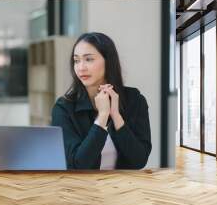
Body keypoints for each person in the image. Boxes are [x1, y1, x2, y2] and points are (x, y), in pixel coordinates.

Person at [51, 32, 152, 170]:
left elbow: (139, 160)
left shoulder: (135, 100)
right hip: (82, 188)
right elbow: (77, 166)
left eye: (89, 59)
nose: (81, 67)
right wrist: (102, 117)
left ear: (108, 61)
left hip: (123, 188)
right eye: (76, 60)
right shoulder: (64, 107)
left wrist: (116, 117)